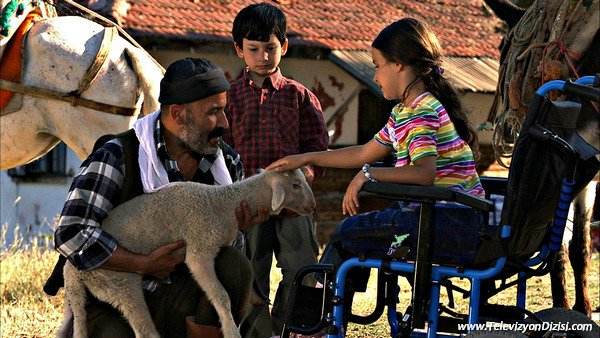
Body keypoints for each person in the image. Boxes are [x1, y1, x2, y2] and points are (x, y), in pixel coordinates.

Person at [267, 17, 486, 327]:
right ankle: (327, 314)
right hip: (440, 222)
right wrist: (303, 158)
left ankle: (314, 321)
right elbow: (362, 153)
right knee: (356, 231)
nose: (376, 75)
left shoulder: (421, 111)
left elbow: (424, 173)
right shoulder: (404, 112)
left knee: (347, 234)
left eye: (377, 65)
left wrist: (368, 176)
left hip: (448, 225)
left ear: (399, 65)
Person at [53, 57, 269, 338]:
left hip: (180, 294)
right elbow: (70, 233)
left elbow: (217, 251)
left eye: (224, 111)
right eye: (213, 112)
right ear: (178, 115)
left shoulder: (226, 163)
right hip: (114, 300)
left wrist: (235, 227)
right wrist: (140, 263)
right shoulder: (118, 155)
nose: (225, 123)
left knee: (234, 267)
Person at [224, 3, 330, 337]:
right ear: (240, 50)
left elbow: (317, 149)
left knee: (300, 268)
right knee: (249, 271)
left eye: (270, 48)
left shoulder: (300, 96)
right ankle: (257, 333)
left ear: (283, 46)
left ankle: (287, 328)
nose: (263, 56)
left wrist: (307, 176)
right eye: (253, 49)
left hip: (293, 204)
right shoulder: (229, 98)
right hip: (248, 203)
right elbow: (221, 152)